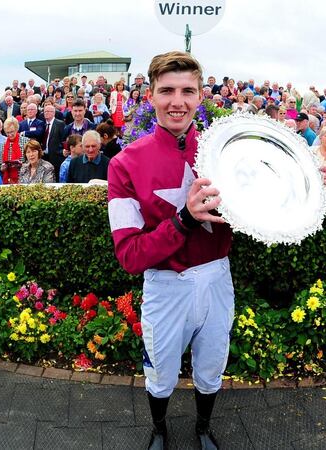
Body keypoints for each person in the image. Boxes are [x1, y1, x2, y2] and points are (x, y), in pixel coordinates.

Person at [107, 51, 231, 450]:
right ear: (151, 95)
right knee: (160, 369)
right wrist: (184, 220)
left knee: (212, 363)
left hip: (217, 276)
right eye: (167, 91)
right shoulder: (124, 163)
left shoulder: (225, 155)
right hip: (165, 283)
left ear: (200, 96)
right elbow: (129, 255)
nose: (177, 101)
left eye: (187, 91)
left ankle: (203, 428)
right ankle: (159, 429)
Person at [0, 118, 28, 184]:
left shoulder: (26, 141)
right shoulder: (3, 144)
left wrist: (21, 165)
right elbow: (0, 164)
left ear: (16, 129)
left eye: (12, 132)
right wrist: (2, 167)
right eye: (7, 132)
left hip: (23, 178)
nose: (10, 134)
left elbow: (30, 162)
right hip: (7, 179)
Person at [41, 105, 67, 172]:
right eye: (45, 111)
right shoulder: (42, 124)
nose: (46, 113)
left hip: (56, 157)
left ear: (53, 113)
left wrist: (61, 151)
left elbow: (64, 139)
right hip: (44, 157)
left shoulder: (60, 124)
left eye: (48, 111)